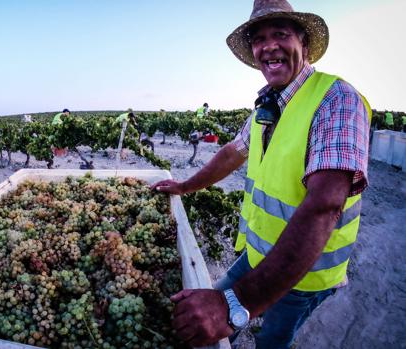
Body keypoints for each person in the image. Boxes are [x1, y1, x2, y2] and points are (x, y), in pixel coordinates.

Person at [152, 1, 371, 348]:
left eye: (280, 34)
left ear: (304, 43)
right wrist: (185, 185)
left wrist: (238, 303)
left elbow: (325, 205)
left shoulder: (336, 99)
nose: (268, 46)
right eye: (259, 38)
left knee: (270, 340)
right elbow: (230, 154)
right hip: (256, 256)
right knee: (207, 319)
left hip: (304, 275)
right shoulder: (267, 108)